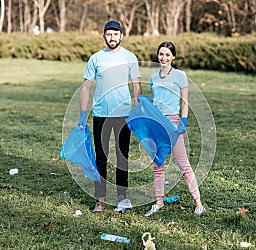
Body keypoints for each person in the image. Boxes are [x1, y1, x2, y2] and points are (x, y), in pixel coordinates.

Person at [79, 20, 142, 213]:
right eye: (108, 34)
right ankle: (100, 199)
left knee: (123, 156)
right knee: (101, 157)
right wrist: (83, 114)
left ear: (121, 36)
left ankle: (122, 197)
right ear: (104, 36)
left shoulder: (130, 57)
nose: (112, 37)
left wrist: (137, 109)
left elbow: (137, 85)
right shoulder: (96, 59)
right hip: (101, 114)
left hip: (123, 114)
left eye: (115, 34)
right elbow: (86, 87)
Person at [144, 41, 205, 216]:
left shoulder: (180, 76)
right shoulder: (153, 77)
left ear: (173, 57)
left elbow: (184, 102)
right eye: (161, 54)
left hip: (173, 123)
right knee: (158, 164)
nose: (164, 58)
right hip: (157, 124)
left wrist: (183, 122)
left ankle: (198, 203)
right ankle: (159, 202)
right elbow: (155, 101)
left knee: (183, 164)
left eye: (167, 55)